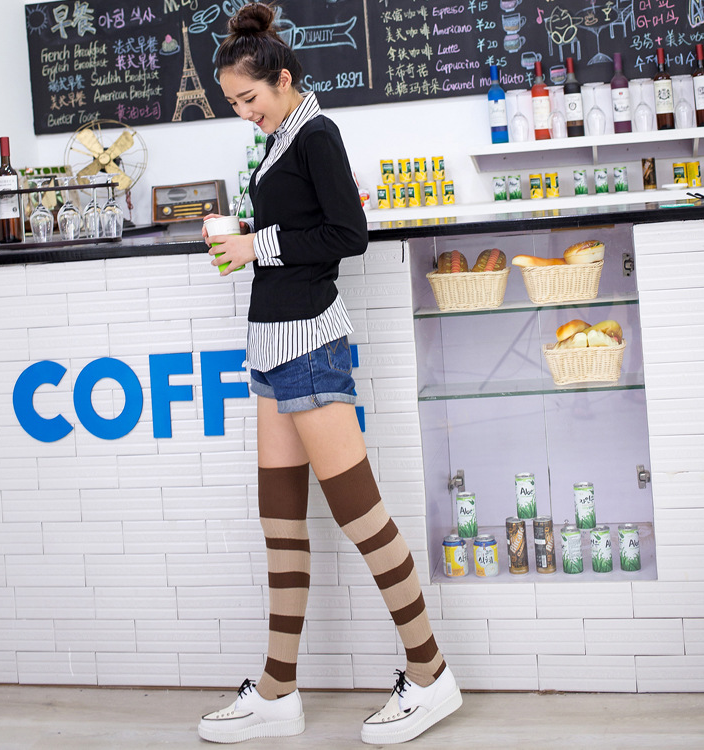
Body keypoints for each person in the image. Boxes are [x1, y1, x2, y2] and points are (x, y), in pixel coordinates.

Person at [197, 3, 462, 745]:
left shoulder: (316, 133)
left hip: (309, 344)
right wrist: (251, 241)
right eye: (233, 103)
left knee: (360, 514)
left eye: (249, 97)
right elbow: (306, 225)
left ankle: (431, 674)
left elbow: (348, 233)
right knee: (281, 520)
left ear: (282, 79)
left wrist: (256, 246)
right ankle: (277, 692)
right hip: (271, 345)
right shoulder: (282, 137)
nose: (243, 112)